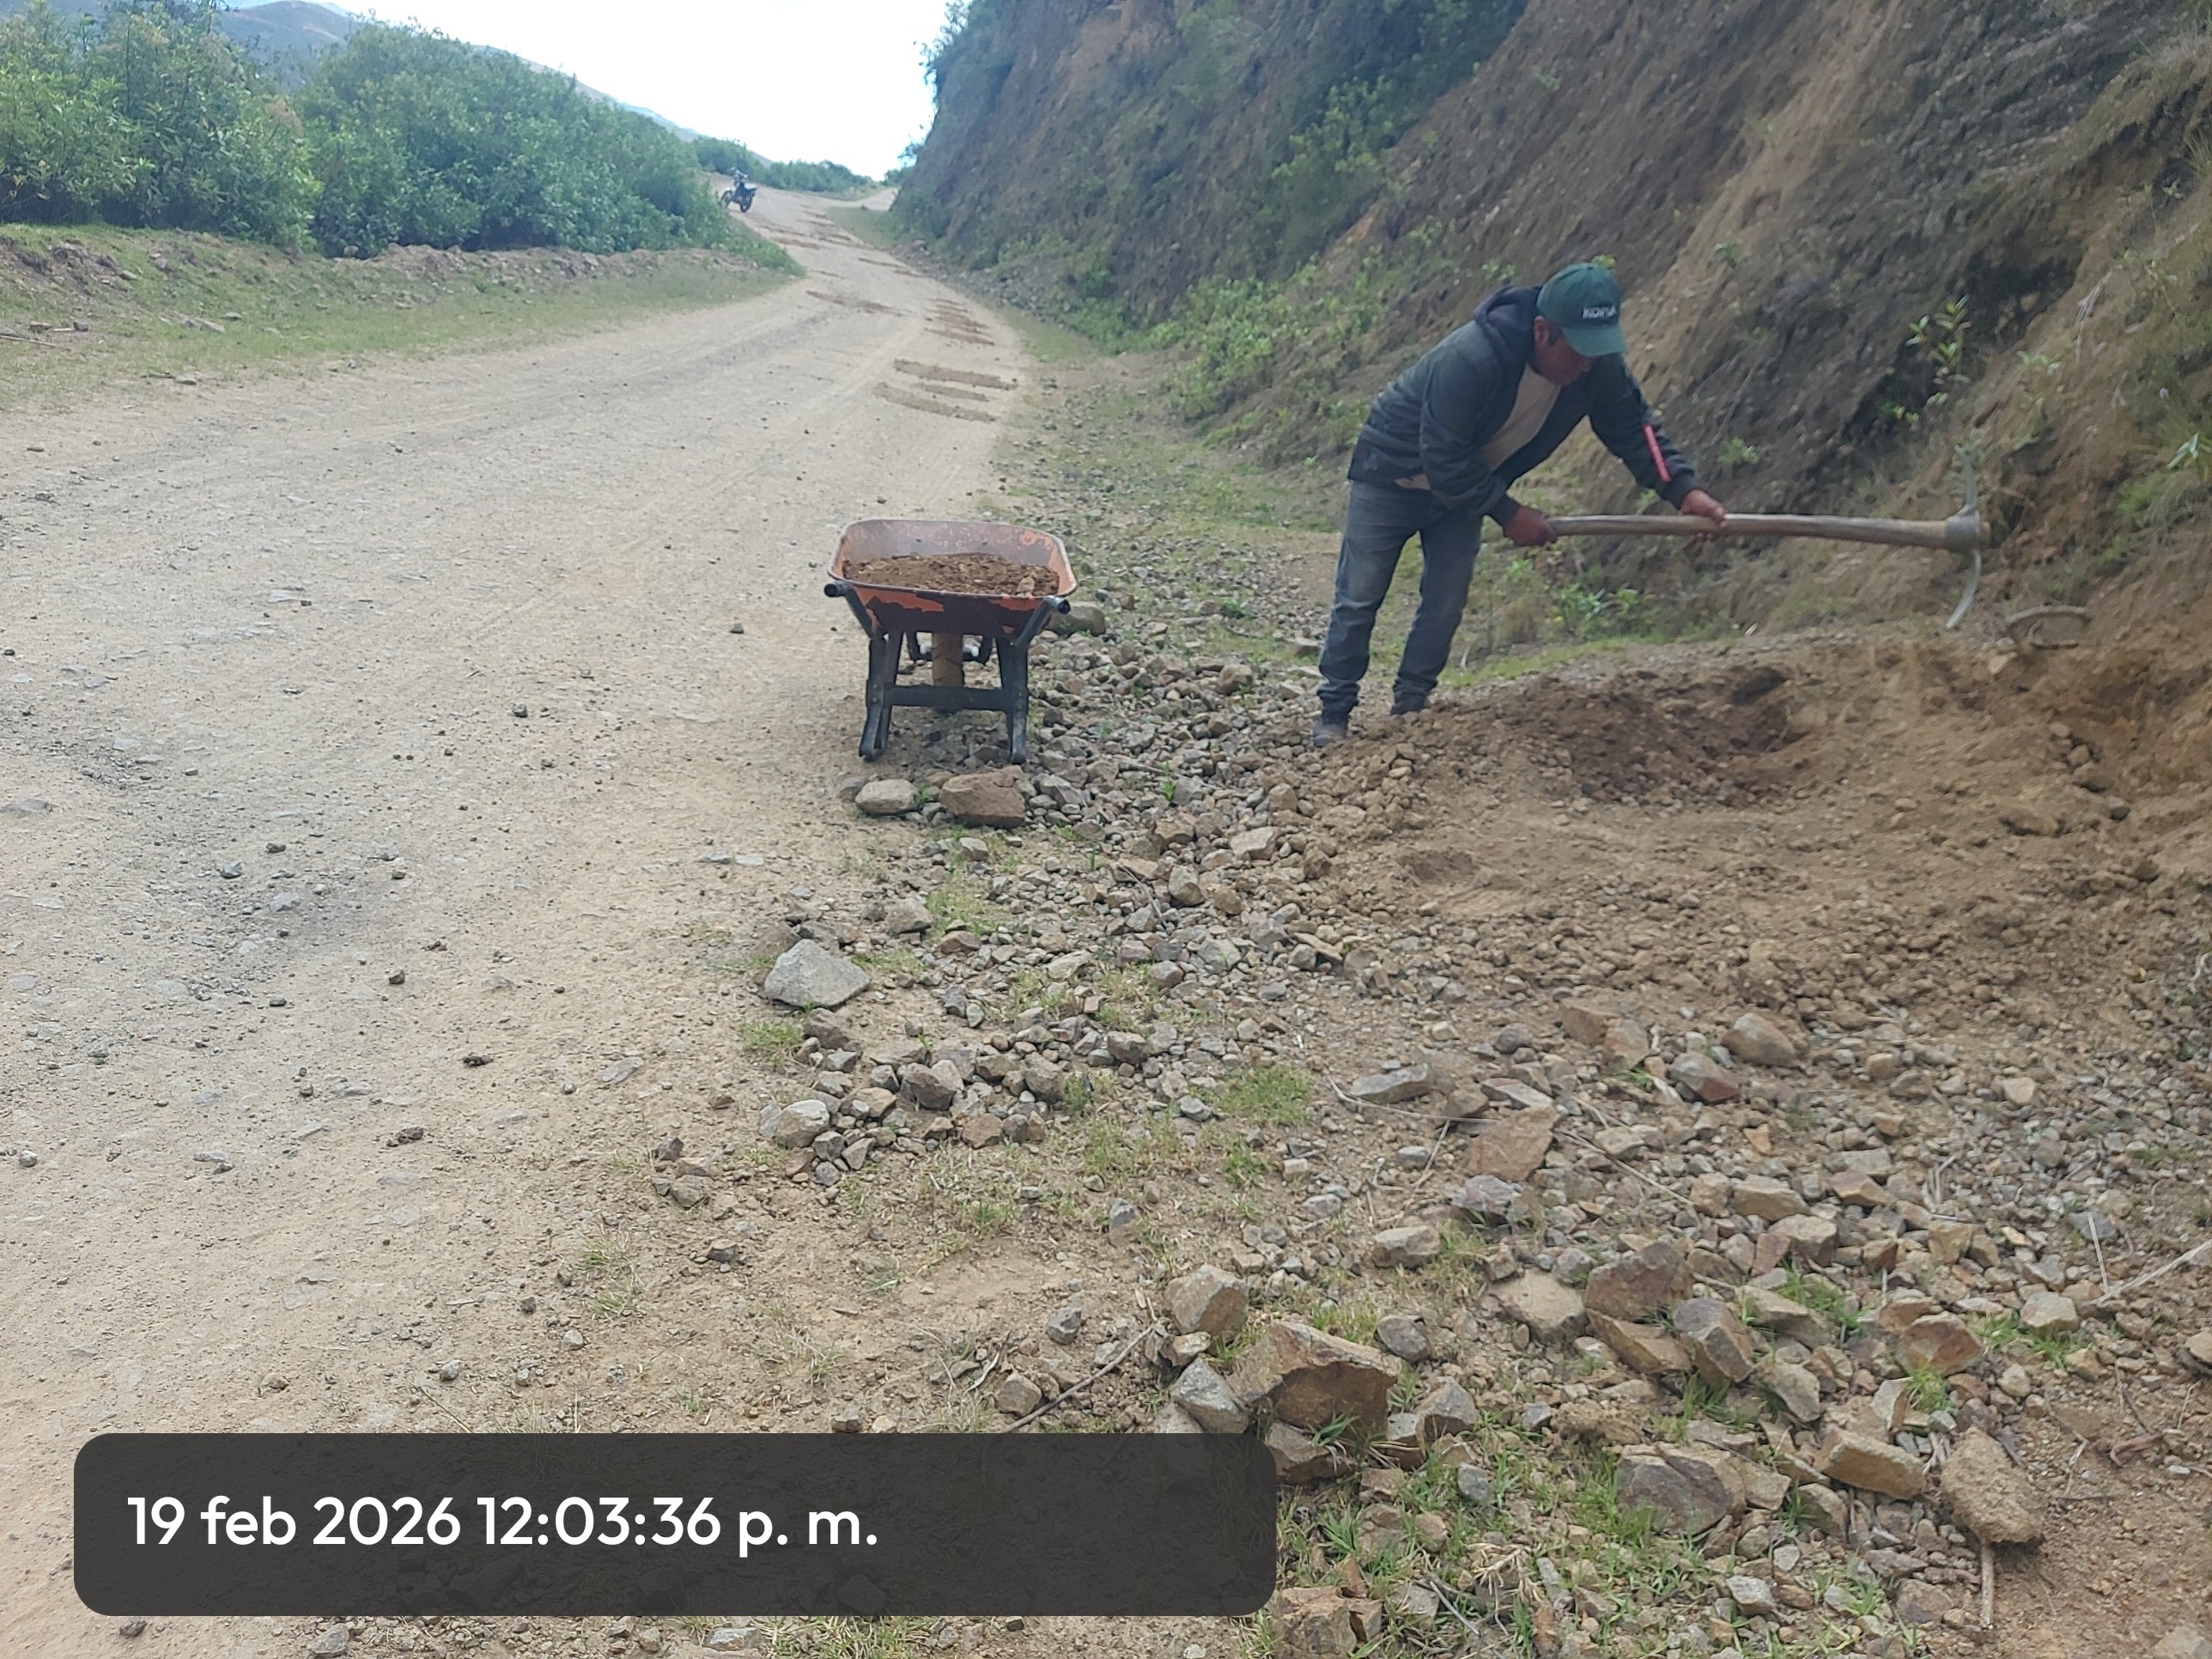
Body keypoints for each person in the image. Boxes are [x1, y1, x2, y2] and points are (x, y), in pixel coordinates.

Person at [1311, 261, 1728, 746]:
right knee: (1360, 597)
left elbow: (1635, 430)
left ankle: (1411, 708)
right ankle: (1334, 712)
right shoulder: (1472, 358)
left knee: (1446, 601)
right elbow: (1442, 455)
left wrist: (1684, 490)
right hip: (1391, 476)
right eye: (1577, 351)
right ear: (1542, 331)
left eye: (1597, 351)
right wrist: (1509, 514)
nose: (1586, 365)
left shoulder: (1596, 367)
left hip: (1465, 488)